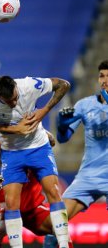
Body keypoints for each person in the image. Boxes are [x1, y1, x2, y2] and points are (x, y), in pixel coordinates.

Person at [0, 75, 71, 248]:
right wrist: (10, 130)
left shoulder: (29, 85)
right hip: (11, 152)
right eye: (9, 101)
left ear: (16, 87)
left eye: (15, 98)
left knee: (53, 192)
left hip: (38, 146)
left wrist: (44, 110)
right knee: (11, 204)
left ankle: (64, 244)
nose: (14, 103)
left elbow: (63, 84)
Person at [42, 60, 108, 247]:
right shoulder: (85, 105)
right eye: (102, 75)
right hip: (88, 175)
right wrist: (62, 125)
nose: (105, 80)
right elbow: (63, 139)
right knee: (55, 225)